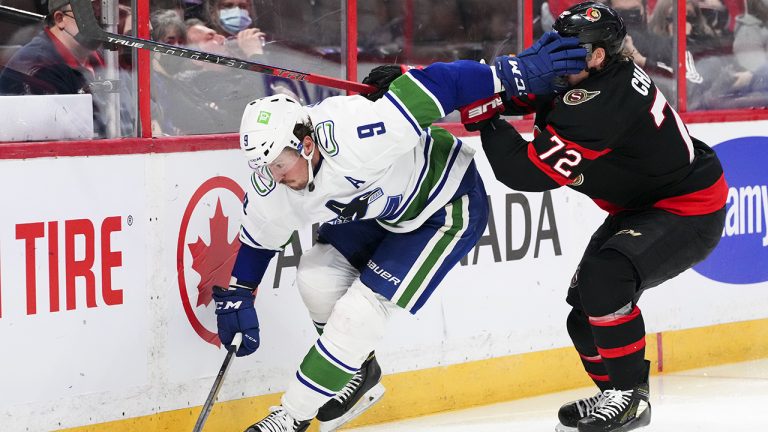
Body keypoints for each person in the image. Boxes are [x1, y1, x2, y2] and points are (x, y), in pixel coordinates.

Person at [211, 36, 588, 431]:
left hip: (444, 205)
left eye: (281, 164)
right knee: (315, 277)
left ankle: (291, 416)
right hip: (381, 210)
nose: (277, 176)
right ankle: (357, 373)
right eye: (266, 168)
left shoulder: (357, 132)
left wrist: (512, 72)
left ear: (306, 144)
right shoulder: (272, 182)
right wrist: (239, 294)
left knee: (359, 315)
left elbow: (445, 84)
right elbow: (258, 240)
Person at [467, 3, 727, 431]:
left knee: (605, 279)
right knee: (584, 316)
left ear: (599, 55)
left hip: (689, 207)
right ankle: (618, 394)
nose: (556, 52)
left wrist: (489, 119)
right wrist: (412, 84)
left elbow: (524, 171)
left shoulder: (602, 101)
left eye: (570, 48)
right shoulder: (585, 73)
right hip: (643, 202)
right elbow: (512, 88)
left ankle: (629, 398)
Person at [0, 0, 107, 136]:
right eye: (91, 14)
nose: (101, 22)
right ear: (60, 19)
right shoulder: (40, 68)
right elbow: (73, 137)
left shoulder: (104, 57)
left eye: (103, 13)